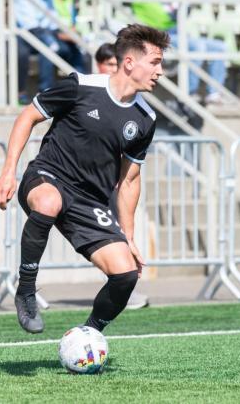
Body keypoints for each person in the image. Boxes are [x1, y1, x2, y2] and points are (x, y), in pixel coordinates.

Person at [0, 24, 168, 333]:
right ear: (129, 62)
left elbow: (129, 180)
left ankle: (87, 335)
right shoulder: (81, 86)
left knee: (126, 274)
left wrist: (128, 236)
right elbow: (28, 117)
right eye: (154, 62)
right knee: (48, 202)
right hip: (48, 177)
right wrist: (8, 172)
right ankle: (26, 289)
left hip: (90, 201)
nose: (161, 71)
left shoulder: (144, 119)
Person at [93, 42, 149, 310]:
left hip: (112, 184)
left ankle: (126, 286)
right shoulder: (89, 90)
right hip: (83, 186)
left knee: (123, 236)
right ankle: (27, 286)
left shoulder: (141, 112)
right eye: (108, 64)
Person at [131, 0, 228, 105]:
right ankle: (190, 92)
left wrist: (179, 10)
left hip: (175, 33)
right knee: (197, 47)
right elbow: (162, 19)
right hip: (156, 36)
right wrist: (179, 11)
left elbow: (176, 11)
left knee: (219, 47)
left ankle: (214, 93)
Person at [48, 0, 86, 74]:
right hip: (53, 34)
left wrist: (73, 32)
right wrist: (60, 35)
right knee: (64, 50)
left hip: (68, 35)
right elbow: (47, 24)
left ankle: (80, 81)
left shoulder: (69, 0)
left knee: (77, 53)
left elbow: (73, 21)